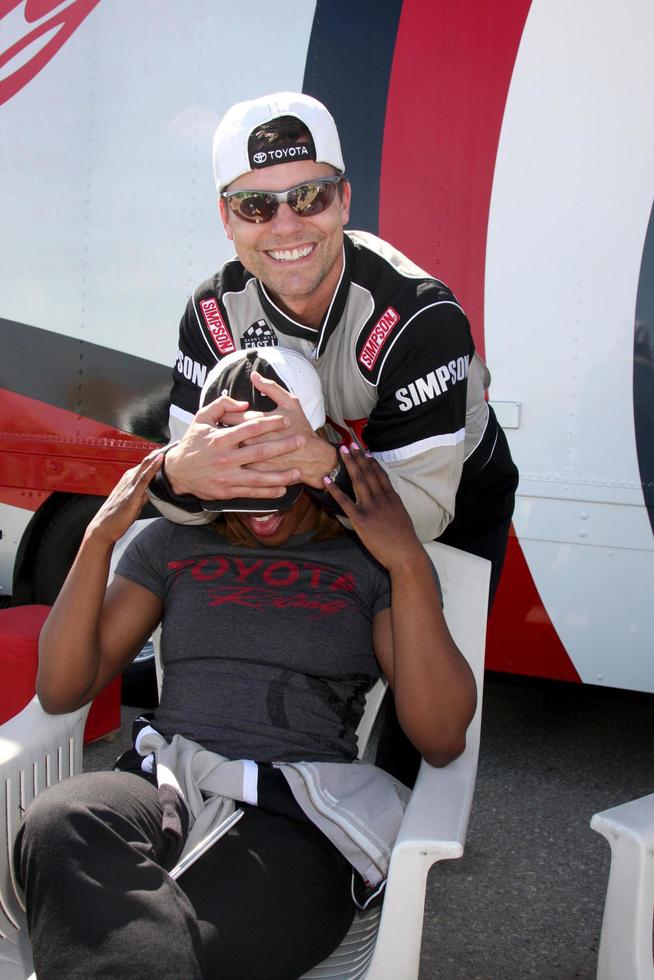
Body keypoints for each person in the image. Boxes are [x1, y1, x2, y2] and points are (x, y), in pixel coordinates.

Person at [14, 349, 476, 980]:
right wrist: (99, 536)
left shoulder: (368, 559)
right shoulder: (172, 543)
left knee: (169, 932)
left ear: (315, 450)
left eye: (277, 467)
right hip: (165, 781)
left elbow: (442, 737)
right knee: (59, 820)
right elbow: (63, 689)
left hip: (298, 811)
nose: (260, 502)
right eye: (237, 467)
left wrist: (408, 563)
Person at [149, 90, 518, 607]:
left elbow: (425, 516)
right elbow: (190, 493)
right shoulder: (214, 313)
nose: (285, 225)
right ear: (226, 219)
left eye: (308, 197)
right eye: (255, 206)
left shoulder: (418, 317)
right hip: (316, 497)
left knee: (422, 681)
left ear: (343, 200)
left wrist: (320, 464)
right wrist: (175, 476)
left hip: (451, 504)